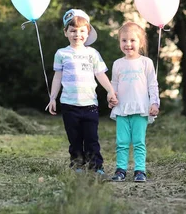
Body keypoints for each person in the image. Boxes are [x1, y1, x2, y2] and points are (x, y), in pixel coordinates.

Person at [47, 9, 118, 175]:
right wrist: (52, 98)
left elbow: (100, 74)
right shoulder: (62, 54)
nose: (77, 34)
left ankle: (96, 166)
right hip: (69, 104)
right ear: (66, 32)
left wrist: (110, 91)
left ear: (88, 32)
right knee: (75, 138)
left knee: (92, 138)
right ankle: (77, 164)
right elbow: (58, 77)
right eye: (72, 30)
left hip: (90, 105)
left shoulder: (92, 54)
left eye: (81, 31)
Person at [109, 22, 160, 183]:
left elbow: (153, 84)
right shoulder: (118, 64)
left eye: (132, 40)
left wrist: (155, 103)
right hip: (122, 108)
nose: (128, 44)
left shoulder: (146, 63)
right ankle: (121, 169)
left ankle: (140, 170)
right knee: (122, 142)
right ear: (119, 42)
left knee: (138, 141)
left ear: (141, 42)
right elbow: (113, 85)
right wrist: (111, 98)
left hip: (140, 108)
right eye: (124, 40)